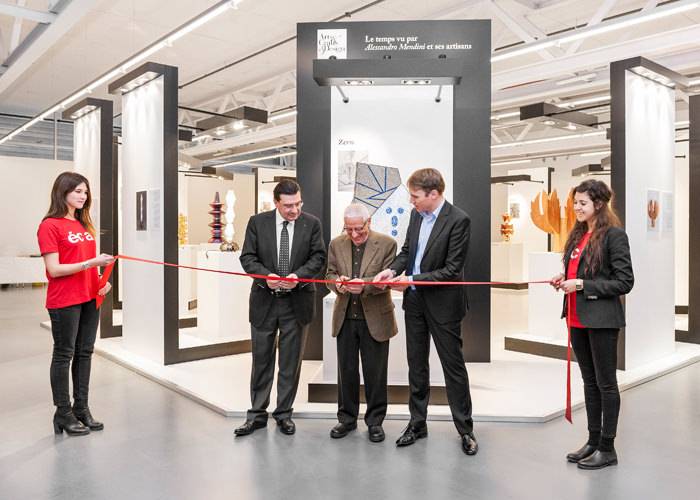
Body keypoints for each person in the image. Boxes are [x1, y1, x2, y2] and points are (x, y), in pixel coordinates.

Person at [373, 168, 478, 456]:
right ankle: (417, 423)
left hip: (444, 304)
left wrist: (411, 280)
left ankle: (465, 429)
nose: (411, 201)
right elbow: (408, 252)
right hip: (415, 303)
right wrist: (392, 269)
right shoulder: (416, 216)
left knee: (453, 367)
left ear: (434, 194)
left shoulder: (459, 220)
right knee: (416, 365)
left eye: (416, 196)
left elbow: (451, 271)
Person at [549, 179, 634, 470]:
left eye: (582, 203)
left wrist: (583, 285)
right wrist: (563, 278)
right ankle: (593, 440)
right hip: (577, 318)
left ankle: (608, 448)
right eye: (575, 202)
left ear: (599, 204)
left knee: (606, 384)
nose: (576, 208)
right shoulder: (578, 235)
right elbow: (576, 271)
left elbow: (625, 282)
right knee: (589, 382)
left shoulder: (614, 235)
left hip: (601, 320)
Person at [235, 180, 326, 437]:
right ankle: (256, 414)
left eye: (298, 203)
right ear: (276, 203)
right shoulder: (258, 222)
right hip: (265, 301)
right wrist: (266, 276)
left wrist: (299, 275)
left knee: (290, 362)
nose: (294, 210)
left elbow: (318, 258)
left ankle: (284, 413)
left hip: (296, 302)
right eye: (288, 205)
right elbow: (247, 257)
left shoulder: (312, 224)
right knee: (261, 360)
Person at [37, 171, 114, 436]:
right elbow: (54, 269)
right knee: (64, 354)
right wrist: (92, 263)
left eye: (85, 191)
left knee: (85, 353)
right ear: (63, 192)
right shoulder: (50, 225)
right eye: (78, 191)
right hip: (64, 300)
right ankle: (63, 412)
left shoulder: (83, 225)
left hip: (89, 297)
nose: (83, 196)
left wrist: (100, 281)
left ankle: (81, 408)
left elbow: (86, 266)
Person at [326, 203, 397, 442]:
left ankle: (375, 422)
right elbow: (329, 274)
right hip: (345, 317)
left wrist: (363, 284)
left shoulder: (387, 244)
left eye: (360, 229)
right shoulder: (336, 244)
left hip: (375, 319)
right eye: (349, 229)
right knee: (346, 371)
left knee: (375, 373)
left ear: (369, 223)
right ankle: (346, 419)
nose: (355, 235)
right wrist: (337, 283)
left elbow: (387, 281)